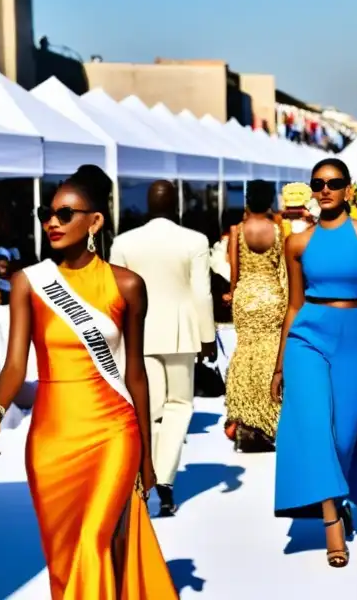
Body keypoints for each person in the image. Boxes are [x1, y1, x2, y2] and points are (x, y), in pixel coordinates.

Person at [0, 165, 177, 599]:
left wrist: (146, 454)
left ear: (95, 221)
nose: (52, 221)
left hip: (113, 432)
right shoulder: (28, 282)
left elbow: (135, 374)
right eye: (46, 213)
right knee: (64, 558)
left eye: (65, 214)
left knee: (93, 541)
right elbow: (15, 364)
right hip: (52, 438)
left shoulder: (127, 285)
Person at [271, 159, 357, 568]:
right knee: (315, 428)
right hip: (306, 336)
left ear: (349, 189)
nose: (325, 189)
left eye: (334, 183)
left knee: (345, 434)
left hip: (353, 335)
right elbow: (293, 305)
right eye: (318, 183)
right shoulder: (297, 242)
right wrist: (279, 365)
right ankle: (331, 525)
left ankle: (340, 500)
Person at [109, 180, 216, 517]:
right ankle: (165, 479)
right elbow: (202, 292)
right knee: (180, 406)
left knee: (150, 410)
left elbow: (113, 291)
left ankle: (148, 476)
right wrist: (207, 335)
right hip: (181, 331)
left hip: (139, 331)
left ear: (146, 205)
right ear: (176, 205)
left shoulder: (124, 242)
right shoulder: (195, 240)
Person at [224, 180, 287, 451]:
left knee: (244, 354)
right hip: (271, 295)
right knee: (270, 357)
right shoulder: (277, 230)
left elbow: (234, 271)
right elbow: (281, 268)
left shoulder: (237, 230)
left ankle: (245, 420)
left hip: (246, 294)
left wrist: (233, 294)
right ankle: (267, 419)